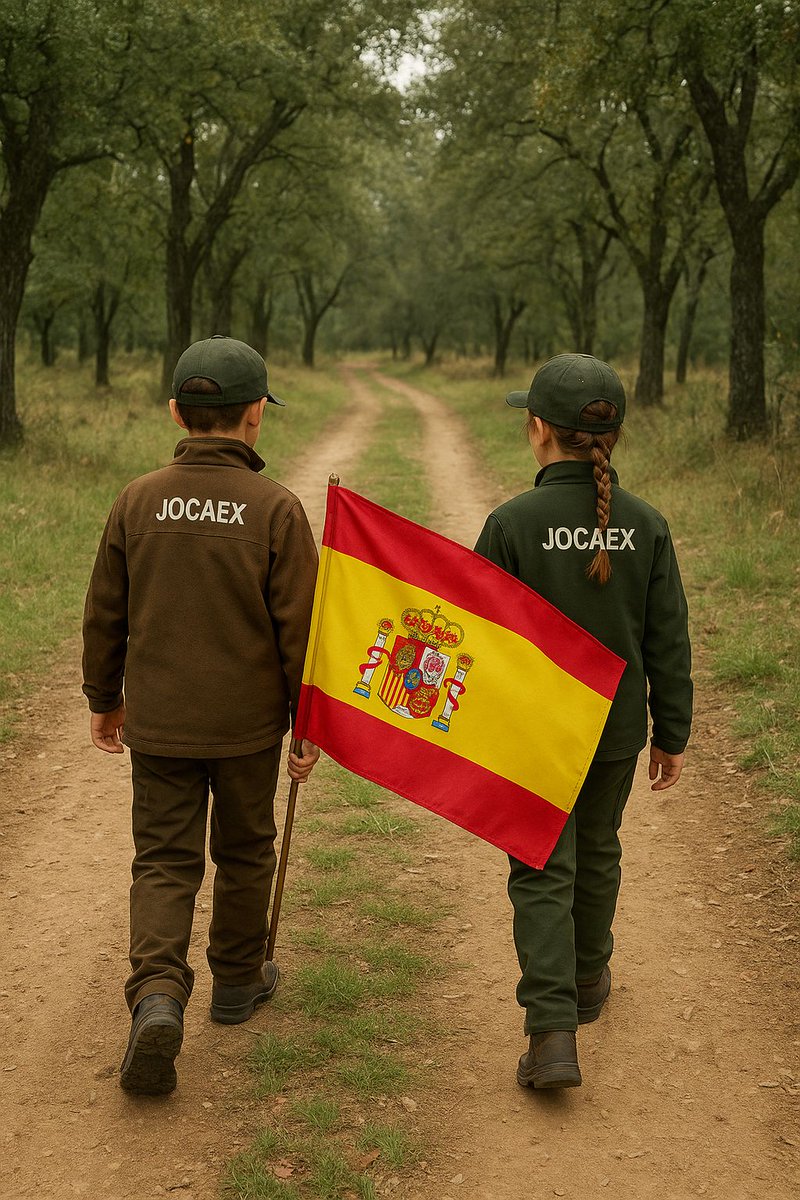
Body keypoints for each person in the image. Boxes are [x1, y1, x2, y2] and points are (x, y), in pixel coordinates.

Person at [82, 335, 320, 1096]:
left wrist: (104, 697)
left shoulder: (136, 498)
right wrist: (307, 720)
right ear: (256, 416)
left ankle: (156, 994)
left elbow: (104, 613)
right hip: (248, 729)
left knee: (164, 858)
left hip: (159, 724)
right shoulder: (277, 508)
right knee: (247, 850)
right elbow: (301, 630)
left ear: (179, 411)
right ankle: (238, 982)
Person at [474, 352, 692, 1090]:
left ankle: (552, 1033)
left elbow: (476, 638)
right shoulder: (647, 523)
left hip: (534, 734)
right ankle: (591, 979)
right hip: (617, 731)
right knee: (598, 848)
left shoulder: (511, 522)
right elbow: (668, 635)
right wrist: (673, 732)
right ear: (613, 438)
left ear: (538, 429)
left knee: (541, 867)